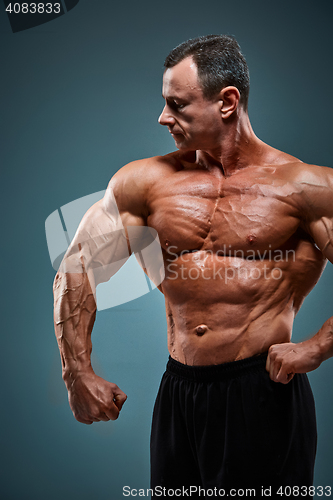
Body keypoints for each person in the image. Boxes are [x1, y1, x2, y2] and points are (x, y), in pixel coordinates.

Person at [53, 35, 333, 497]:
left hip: (261, 393)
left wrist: (319, 346)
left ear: (227, 102)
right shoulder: (143, 183)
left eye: (177, 104)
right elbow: (76, 267)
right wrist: (77, 372)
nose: (163, 117)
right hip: (179, 392)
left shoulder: (304, 188)